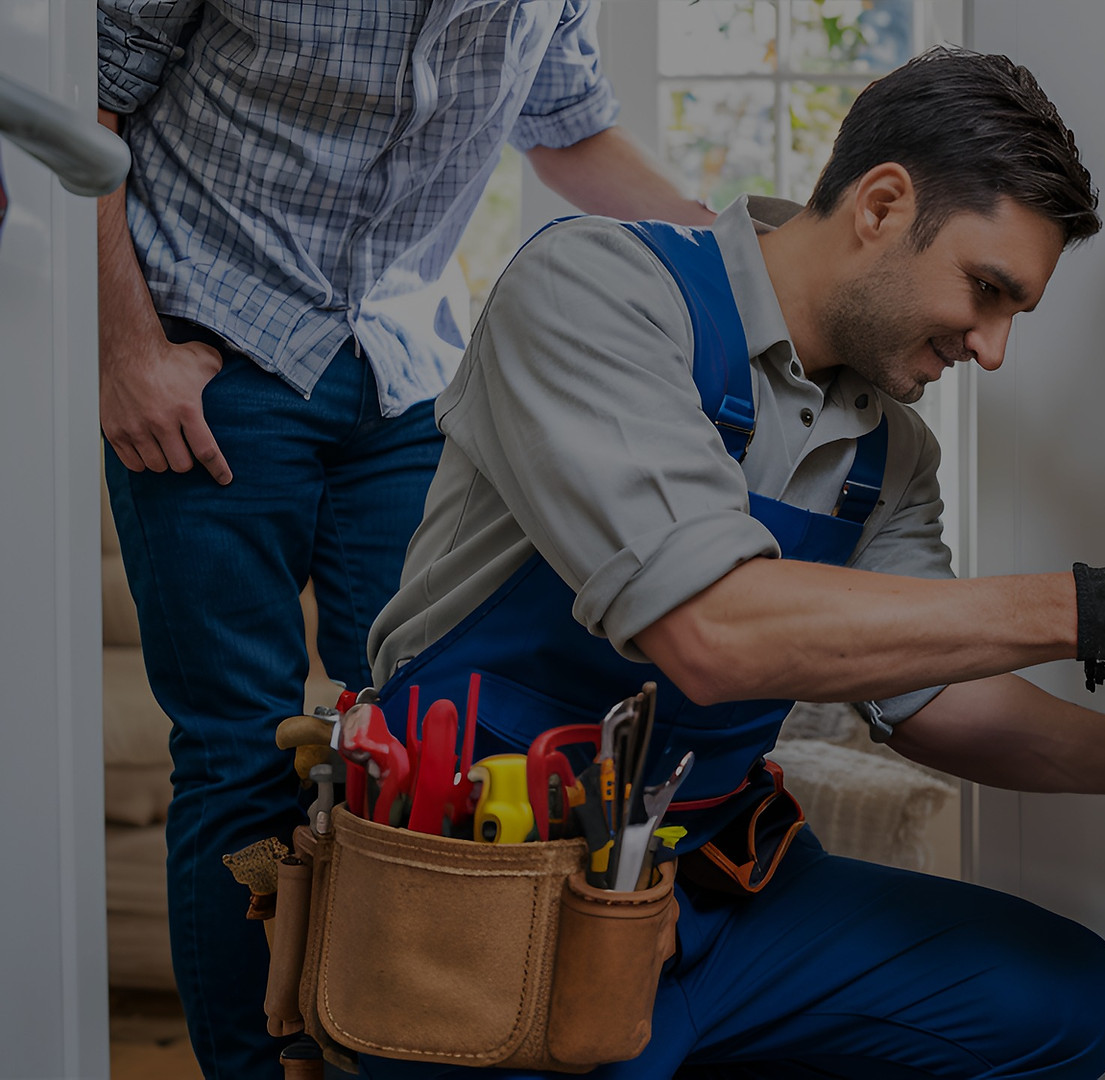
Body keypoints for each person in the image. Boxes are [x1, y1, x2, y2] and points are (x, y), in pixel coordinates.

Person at [364, 49, 1105, 1078]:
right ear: (883, 204)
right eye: (985, 291)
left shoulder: (889, 452)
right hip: (498, 908)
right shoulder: (598, 292)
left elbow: (933, 698)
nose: (991, 349)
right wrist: (1091, 609)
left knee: (1059, 999)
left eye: (1014, 313)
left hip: (714, 896)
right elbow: (711, 632)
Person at [94, 2, 710, 1074]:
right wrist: (123, 348)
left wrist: (746, 253)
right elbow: (79, 106)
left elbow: (568, 131)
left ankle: (393, 1052)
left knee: (436, 730)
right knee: (242, 753)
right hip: (210, 354)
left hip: (409, 375)